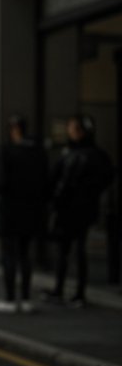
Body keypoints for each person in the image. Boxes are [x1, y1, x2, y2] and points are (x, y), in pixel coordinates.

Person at [42, 113, 115, 308]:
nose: (70, 132)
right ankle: (73, 292)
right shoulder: (95, 155)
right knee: (74, 250)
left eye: (73, 129)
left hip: (72, 209)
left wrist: (56, 200)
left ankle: (66, 290)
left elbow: (56, 182)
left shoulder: (75, 155)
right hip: (82, 209)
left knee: (69, 251)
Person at [0, 113, 48, 313]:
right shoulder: (37, 152)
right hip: (31, 210)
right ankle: (25, 298)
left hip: (9, 210)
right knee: (25, 255)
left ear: (13, 130)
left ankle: (9, 298)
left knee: (9, 255)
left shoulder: (5, 151)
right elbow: (45, 181)